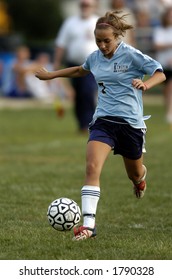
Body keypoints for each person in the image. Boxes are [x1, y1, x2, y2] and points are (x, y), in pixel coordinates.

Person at [35, 11, 166, 241]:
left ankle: (140, 179)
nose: (103, 45)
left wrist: (146, 84)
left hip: (131, 124)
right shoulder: (95, 57)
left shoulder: (132, 55)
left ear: (117, 37)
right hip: (103, 121)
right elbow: (80, 70)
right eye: (98, 41)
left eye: (107, 41)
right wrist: (51, 75)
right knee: (92, 167)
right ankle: (88, 225)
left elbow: (160, 73)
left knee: (133, 173)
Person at [54, 0, 98, 132]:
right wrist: (57, 61)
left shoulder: (98, 22)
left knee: (87, 92)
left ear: (93, 6)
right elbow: (61, 43)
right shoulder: (70, 22)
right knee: (78, 94)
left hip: (92, 64)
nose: (85, 7)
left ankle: (89, 123)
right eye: (83, 4)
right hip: (73, 64)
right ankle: (82, 124)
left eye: (87, 5)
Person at [153, 6, 172, 127]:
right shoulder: (159, 30)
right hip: (163, 63)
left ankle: (170, 112)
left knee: (171, 86)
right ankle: (168, 110)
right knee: (166, 90)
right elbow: (157, 45)